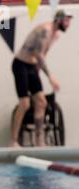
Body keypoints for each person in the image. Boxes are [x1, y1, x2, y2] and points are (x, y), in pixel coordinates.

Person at [10, 9, 72, 147]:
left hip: (32, 67)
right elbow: (39, 54)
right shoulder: (45, 30)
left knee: (41, 102)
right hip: (20, 65)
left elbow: (43, 53)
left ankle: (39, 140)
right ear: (58, 20)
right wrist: (50, 77)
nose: (69, 24)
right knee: (25, 103)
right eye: (67, 21)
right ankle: (13, 140)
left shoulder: (55, 35)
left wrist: (38, 69)